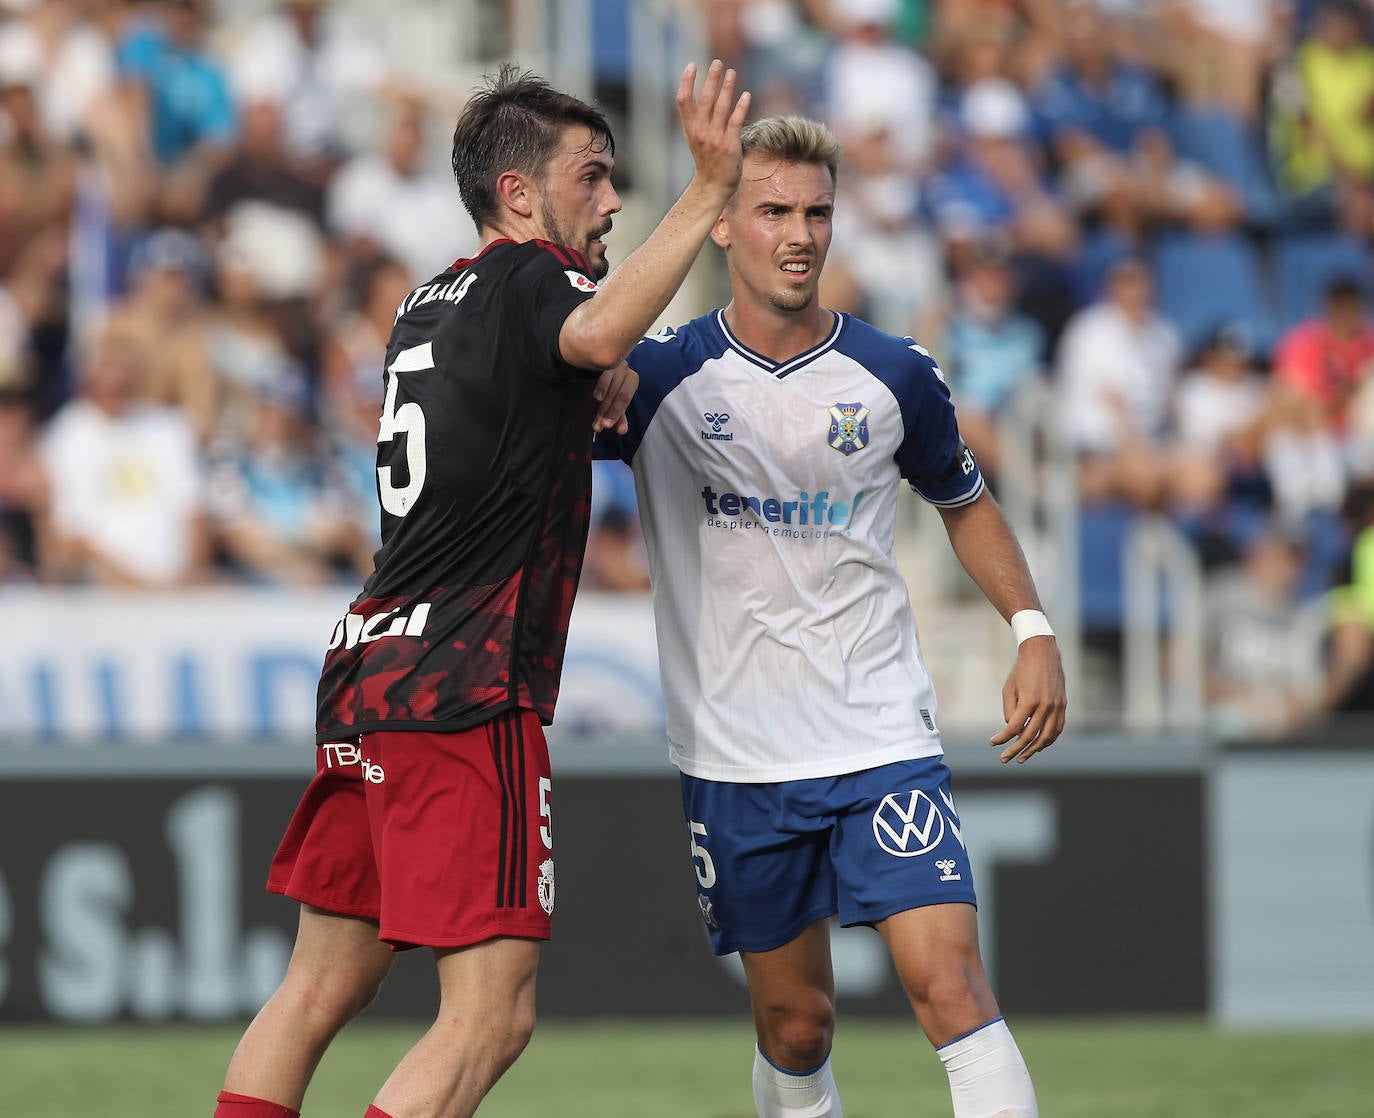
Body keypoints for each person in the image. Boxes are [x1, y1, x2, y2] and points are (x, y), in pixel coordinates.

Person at [213, 60, 750, 1118]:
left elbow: (547, 384)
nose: (610, 201)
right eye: (592, 177)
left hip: (370, 660)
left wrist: (595, 375)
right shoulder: (530, 279)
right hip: (464, 679)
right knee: (490, 1015)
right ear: (520, 194)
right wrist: (707, 190)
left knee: (320, 982)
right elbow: (593, 333)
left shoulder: (429, 302)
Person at [595, 115, 1065, 1118]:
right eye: (772, 210)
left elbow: (965, 502)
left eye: (817, 211)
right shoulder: (657, 379)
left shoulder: (895, 374)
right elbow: (532, 421)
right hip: (735, 754)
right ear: (721, 224)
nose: (799, 233)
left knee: (952, 988)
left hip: (877, 732)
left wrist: (1032, 628)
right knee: (795, 1026)